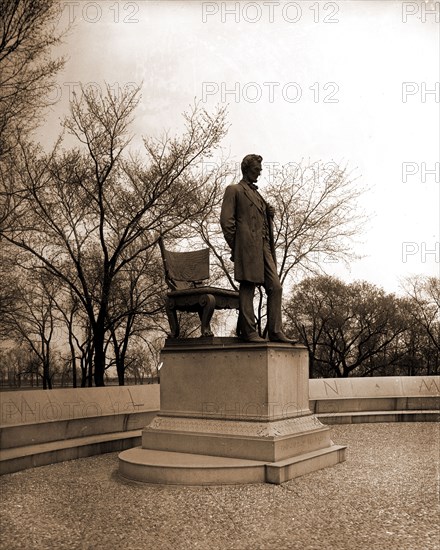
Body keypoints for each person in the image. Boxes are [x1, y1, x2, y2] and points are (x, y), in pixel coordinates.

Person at [220, 154, 295, 344]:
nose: (259, 174)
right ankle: (249, 331)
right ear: (246, 169)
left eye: (260, 171)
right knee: (248, 286)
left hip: (264, 247)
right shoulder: (234, 190)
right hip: (246, 247)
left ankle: (275, 331)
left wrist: (269, 213)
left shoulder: (258, 195)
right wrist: (237, 247)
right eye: (256, 170)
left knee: (275, 287)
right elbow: (226, 222)